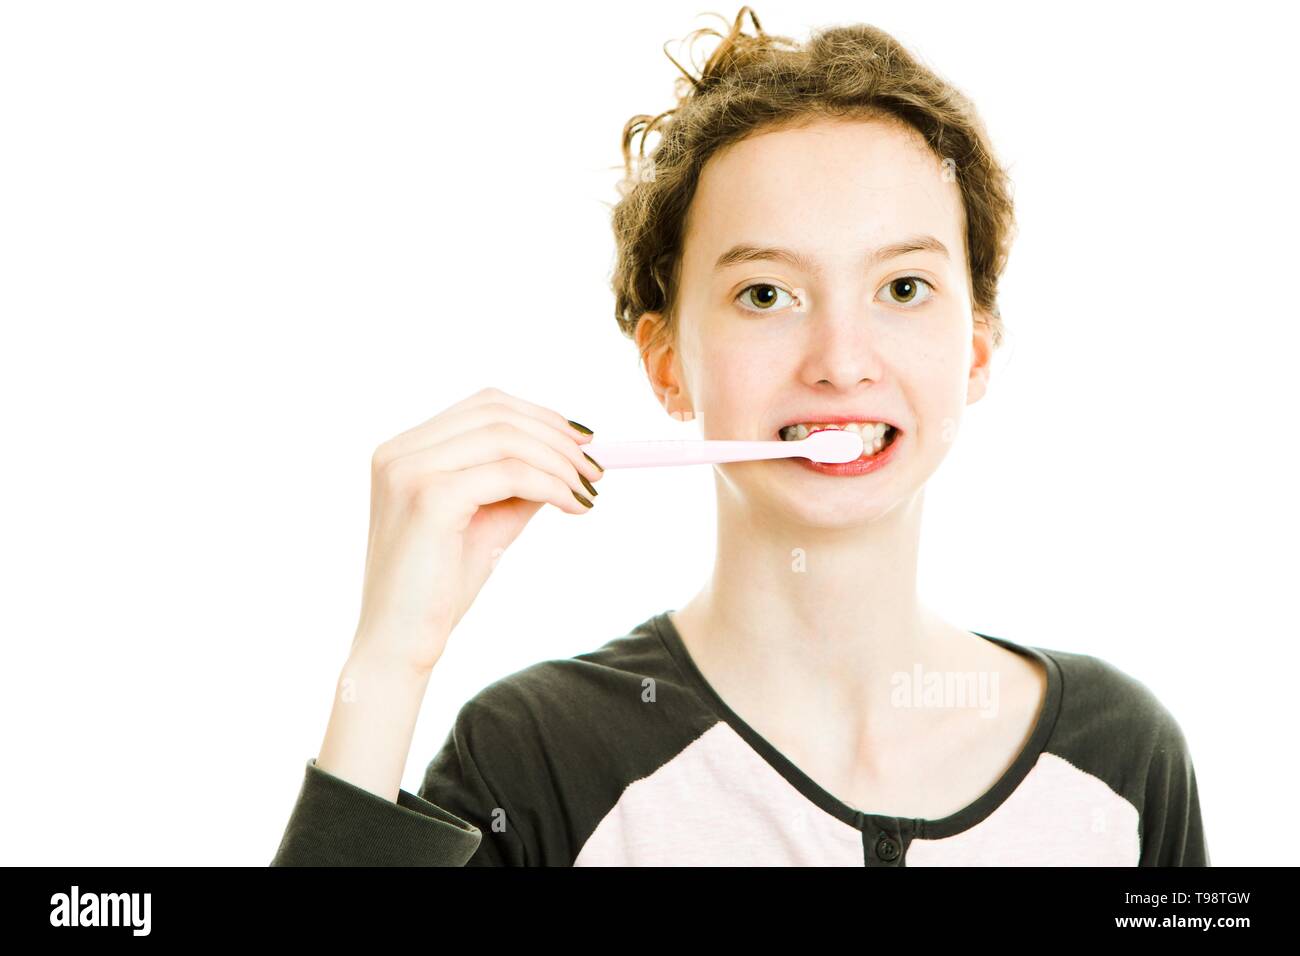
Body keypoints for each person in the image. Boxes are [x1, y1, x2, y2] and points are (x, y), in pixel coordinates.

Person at [271, 6, 1208, 866]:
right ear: (666, 363)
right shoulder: (536, 757)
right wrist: (387, 664)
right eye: (766, 294)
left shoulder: (1122, 761)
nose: (842, 362)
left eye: (903, 288)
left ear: (976, 348)